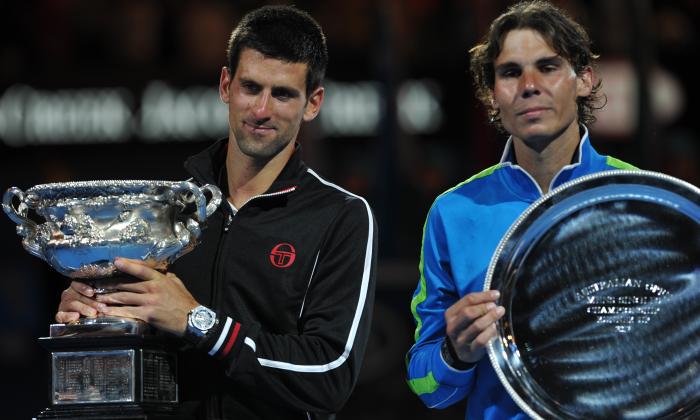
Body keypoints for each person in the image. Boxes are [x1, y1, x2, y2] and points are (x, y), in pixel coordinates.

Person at [56, 5, 377, 419]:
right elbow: (136, 344)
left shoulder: (341, 216)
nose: (261, 110)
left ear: (312, 103)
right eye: (250, 87)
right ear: (226, 85)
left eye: (282, 94)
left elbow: (329, 373)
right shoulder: (164, 210)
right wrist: (95, 315)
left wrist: (201, 323)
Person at [406, 1, 636, 418]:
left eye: (547, 67)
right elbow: (427, 387)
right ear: (492, 95)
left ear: (583, 79)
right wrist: (455, 353)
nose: (529, 85)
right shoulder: (454, 212)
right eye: (510, 72)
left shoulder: (640, 197)